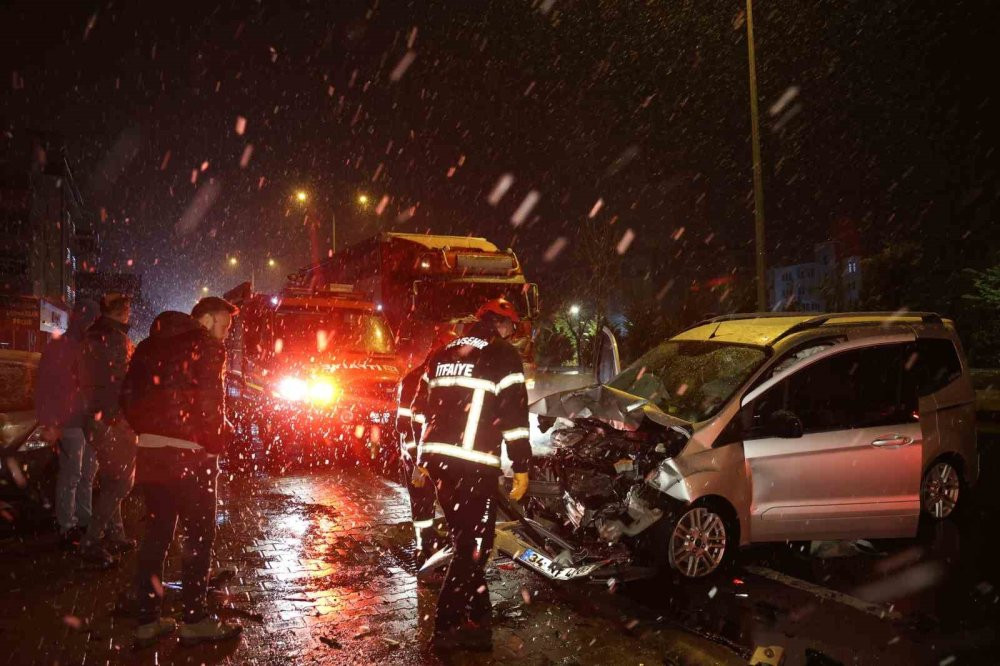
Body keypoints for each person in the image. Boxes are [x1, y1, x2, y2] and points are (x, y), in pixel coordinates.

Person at [121, 297, 242, 648]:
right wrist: (215, 442)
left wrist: (151, 431)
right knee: (199, 537)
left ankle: (147, 619)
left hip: (151, 453)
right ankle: (195, 619)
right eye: (224, 325)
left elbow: (126, 397)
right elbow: (210, 403)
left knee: (156, 534)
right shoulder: (206, 347)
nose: (226, 334)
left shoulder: (148, 345)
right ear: (205, 320)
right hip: (192, 456)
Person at [411, 298, 532, 652]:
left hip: (440, 465)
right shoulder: (502, 355)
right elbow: (514, 416)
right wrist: (522, 467)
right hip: (474, 465)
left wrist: (421, 458)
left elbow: (421, 410)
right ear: (501, 325)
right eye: (511, 327)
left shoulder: (442, 353)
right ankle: (446, 630)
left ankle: (478, 615)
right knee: (473, 548)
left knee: (468, 541)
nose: (512, 335)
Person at [78, 293, 137, 567]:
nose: (130, 313)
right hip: (112, 420)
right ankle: (91, 541)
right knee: (122, 482)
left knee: (113, 478)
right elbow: (123, 383)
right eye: (127, 309)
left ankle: (116, 533)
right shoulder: (115, 340)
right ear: (122, 311)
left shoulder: (91, 336)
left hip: (94, 418)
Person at [36, 299, 100, 550]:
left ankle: (81, 522)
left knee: (83, 474)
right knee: (74, 475)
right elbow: (46, 387)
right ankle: (69, 525)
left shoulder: (79, 346)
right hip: (72, 422)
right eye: (90, 319)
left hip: (83, 421)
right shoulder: (65, 347)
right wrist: (50, 422)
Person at [396, 325, 455, 566]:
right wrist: (417, 462)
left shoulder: (445, 380)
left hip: (437, 456)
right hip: (418, 459)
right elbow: (404, 426)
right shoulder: (413, 380)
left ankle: (439, 548)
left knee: (445, 503)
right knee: (422, 505)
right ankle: (424, 550)